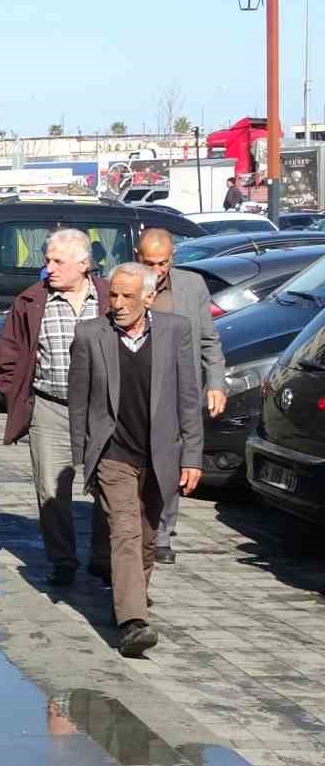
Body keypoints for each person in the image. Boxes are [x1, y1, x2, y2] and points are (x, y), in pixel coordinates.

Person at [69, 263, 203, 657]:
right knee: (124, 532)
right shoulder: (91, 334)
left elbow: (188, 399)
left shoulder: (175, 331)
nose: (119, 303)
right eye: (114, 295)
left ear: (149, 297)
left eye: (129, 296)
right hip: (113, 453)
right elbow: (79, 400)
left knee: (146, 541)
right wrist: (84, 456)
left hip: (160, 455)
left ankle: (129, 604)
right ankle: (132, 623)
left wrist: (192, 456)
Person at [0, 229, 111, 586]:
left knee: (108, 486)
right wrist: (15, 394)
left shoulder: (108, 297)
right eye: (47, 260)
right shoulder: (31, 300)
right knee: (50, 488)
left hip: (101, 411)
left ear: (84, 264)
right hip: (50, 405)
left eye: (58, 261)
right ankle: (63, 559)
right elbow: (9, 355)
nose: (49, 268)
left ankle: (105, 558)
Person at [135, 229, 227, 565]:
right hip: (136, 387)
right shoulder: (125, 283)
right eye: (149, 263)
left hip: (177, 388)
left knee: (170, 462)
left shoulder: (192, 286)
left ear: (173, 257)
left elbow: (209, 340)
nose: (157, 270)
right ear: (136, 256)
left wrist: (216, 382)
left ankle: (162, 533)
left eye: (163, 262)